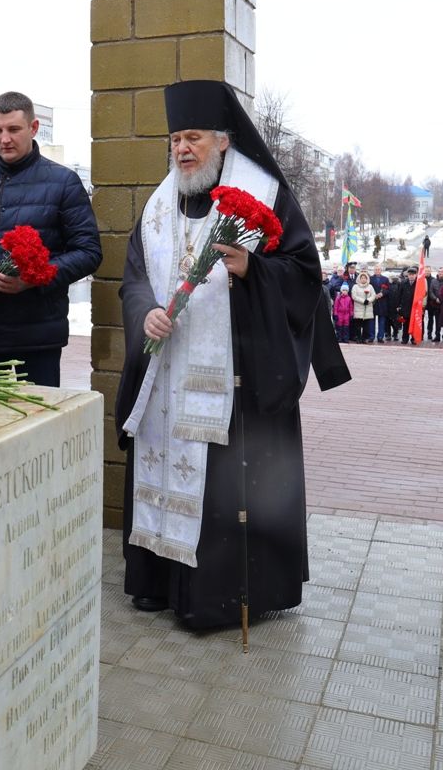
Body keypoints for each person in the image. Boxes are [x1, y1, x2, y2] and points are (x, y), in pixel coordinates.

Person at [116, 79, 350, 629]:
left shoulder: (265, 195)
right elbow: (133, 277)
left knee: (221, 487)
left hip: (234, 378)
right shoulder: (158, 204)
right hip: (166, 374)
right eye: (175, 139)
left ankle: (218, 596)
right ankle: (156, 581)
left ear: (223, 141)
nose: (181, 149)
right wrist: (144, 311)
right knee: (161, 465)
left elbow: (303, 276)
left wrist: (252, 270)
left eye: (192, 137)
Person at [0, 91, 101, 386]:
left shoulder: (63, 182)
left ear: (33, 129)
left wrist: (34, 278)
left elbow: (89, 252)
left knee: (38, 424)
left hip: (37, 338)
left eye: (13, 129)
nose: (4, 139)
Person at [350, 271, 376, 343]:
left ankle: (364, 338)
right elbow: (354, 296)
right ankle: (358, 338)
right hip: (358, 308)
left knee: (366, 326)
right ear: (359, 279)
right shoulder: (355, 286)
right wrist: (363, 301)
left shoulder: (370, 286)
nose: (363, 279)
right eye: (362, 278)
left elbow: (373, 295)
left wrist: (368, 300)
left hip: (367, 309)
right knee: (358, 325)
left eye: (365, 278)